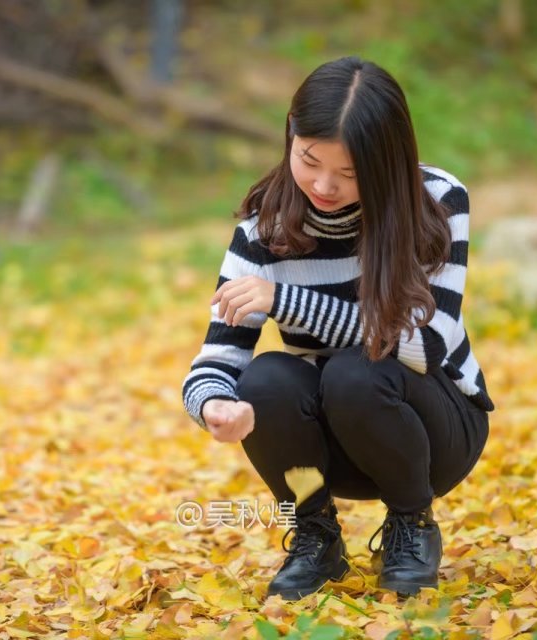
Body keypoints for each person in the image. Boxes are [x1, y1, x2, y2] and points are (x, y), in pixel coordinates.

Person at [181, 55, 494, 601]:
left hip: (433, 431)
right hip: (331, 448)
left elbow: (425, 346)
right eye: (309, 161)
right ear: (290, 136)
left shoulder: (438, 202)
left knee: (357, 371)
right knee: (264, 380)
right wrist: (211, 406)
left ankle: (412, 525)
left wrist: (286, 300)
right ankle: (315, 533)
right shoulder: (262, 231)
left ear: (387, 162)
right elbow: (216, 361)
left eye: (350, 173)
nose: (324, 185)